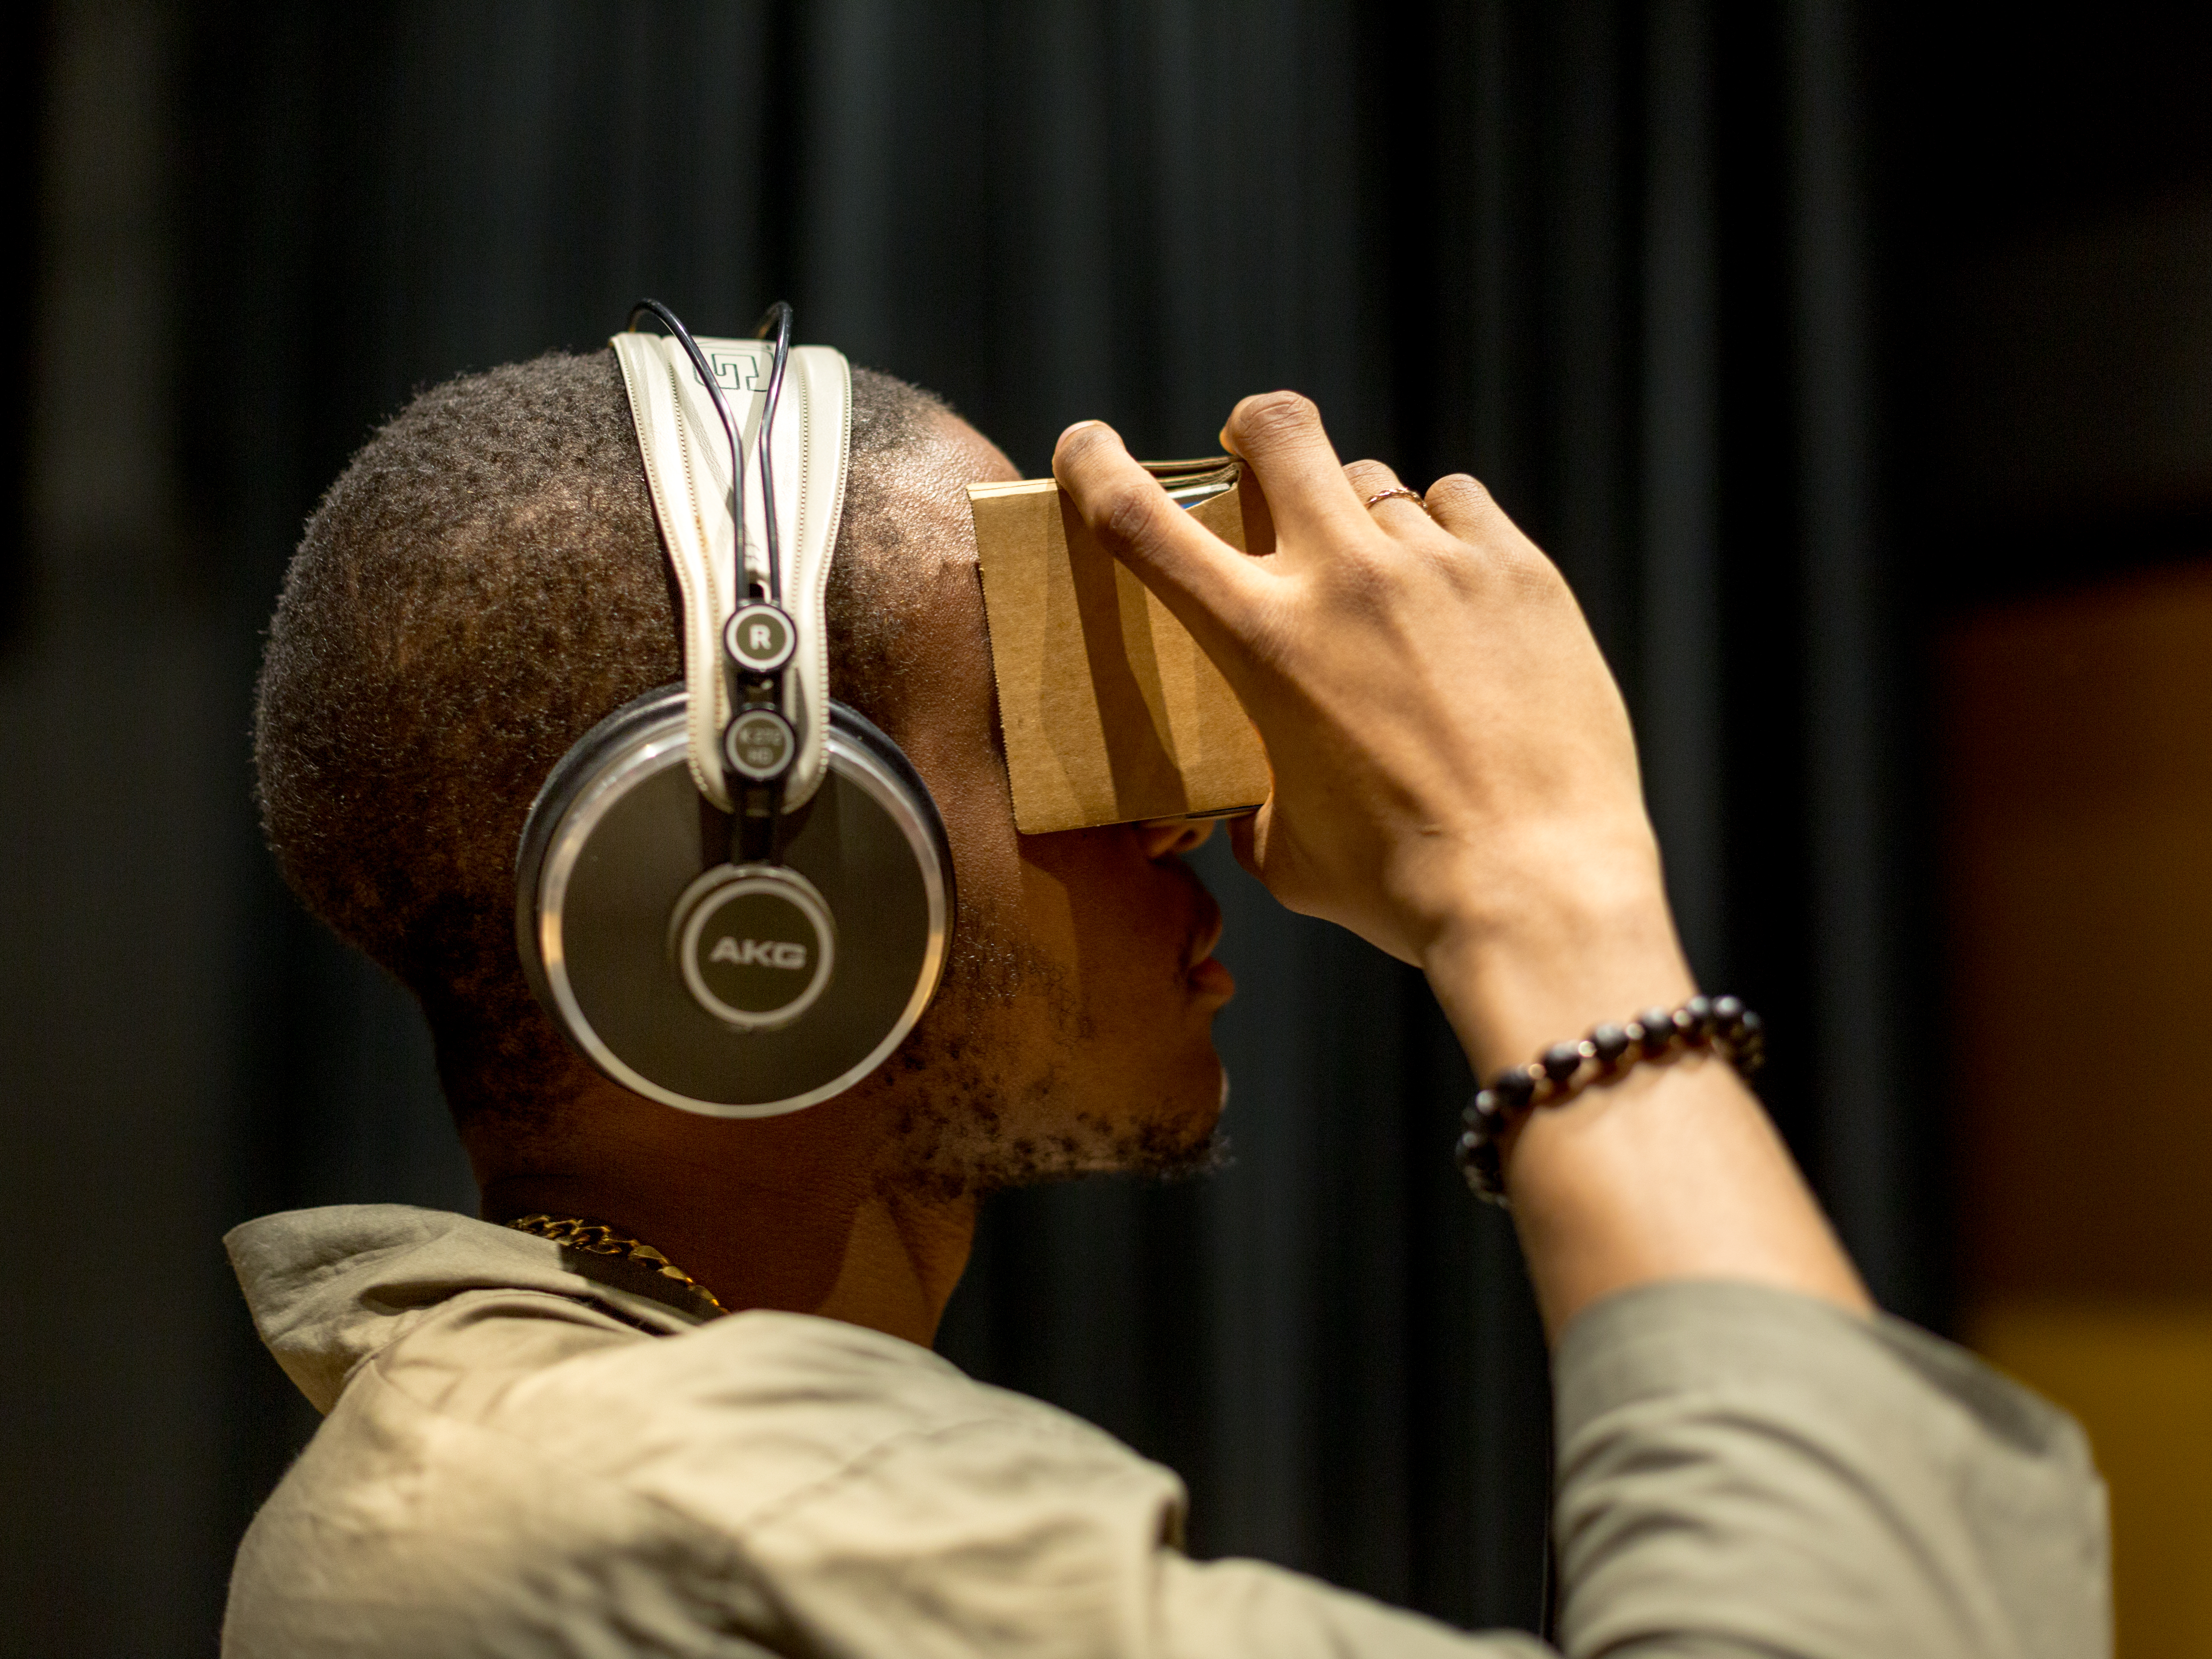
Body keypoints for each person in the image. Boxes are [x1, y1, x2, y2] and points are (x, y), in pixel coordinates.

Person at [225, 347, 2108, 1657]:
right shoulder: (649, 1516)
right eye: (1054, 725)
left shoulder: (522, 1448)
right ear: (745, 905)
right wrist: (1540, 887)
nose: (1191, 816)